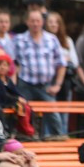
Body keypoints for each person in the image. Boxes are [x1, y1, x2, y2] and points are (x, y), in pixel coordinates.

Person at [12, 9, 67, 140]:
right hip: (25, 84)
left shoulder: (51, 39)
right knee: (23, 116)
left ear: (42, 22)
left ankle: (58, 144)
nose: (35, 24)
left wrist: (58, 85)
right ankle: (26, 141)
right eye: (32, 21)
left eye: (38, 21)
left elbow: (62, 64)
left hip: (46, 85)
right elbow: (12, 65)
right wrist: (13, 88)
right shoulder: (18, 40)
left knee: (54, 116)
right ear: (27, 22)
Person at [46, 11, 83, 135]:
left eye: (56, 22)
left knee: (64, 109)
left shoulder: (67, 40)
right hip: (50, 79)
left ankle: (63, 135)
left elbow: (74, 61)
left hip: (65, 80)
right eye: (50, 22)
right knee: (50, 110)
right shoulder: (44, 39)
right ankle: (50, 136)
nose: (53, 25)